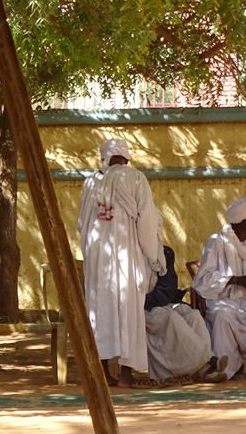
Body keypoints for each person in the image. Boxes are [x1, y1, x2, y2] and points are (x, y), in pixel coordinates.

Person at [77, 138, 165, 387]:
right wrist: (151, 254)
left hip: (98, 259)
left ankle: (103, 372)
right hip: (128, 256)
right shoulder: (136, 178)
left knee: (99, 310)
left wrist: (90, 252)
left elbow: (82, 224)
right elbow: (146, 219)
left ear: (103, 158)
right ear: (126, 158)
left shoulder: (91, 181)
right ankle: (126, 374)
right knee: (129, 310)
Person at [144, 246, 227, 383]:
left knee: (192, 315)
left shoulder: (165, 253)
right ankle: (209, 360)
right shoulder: (130, 255)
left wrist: (161, 298)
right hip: (141, 308)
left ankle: (203, 370)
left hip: (161, 303)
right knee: (171, 318)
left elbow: (168, 287)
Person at [192, 197, 246, 380]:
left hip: (243, 303)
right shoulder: (217, 241)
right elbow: (202, 280)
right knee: (224, 315)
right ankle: (226, 369)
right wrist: (234, 280)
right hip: (221, 299)